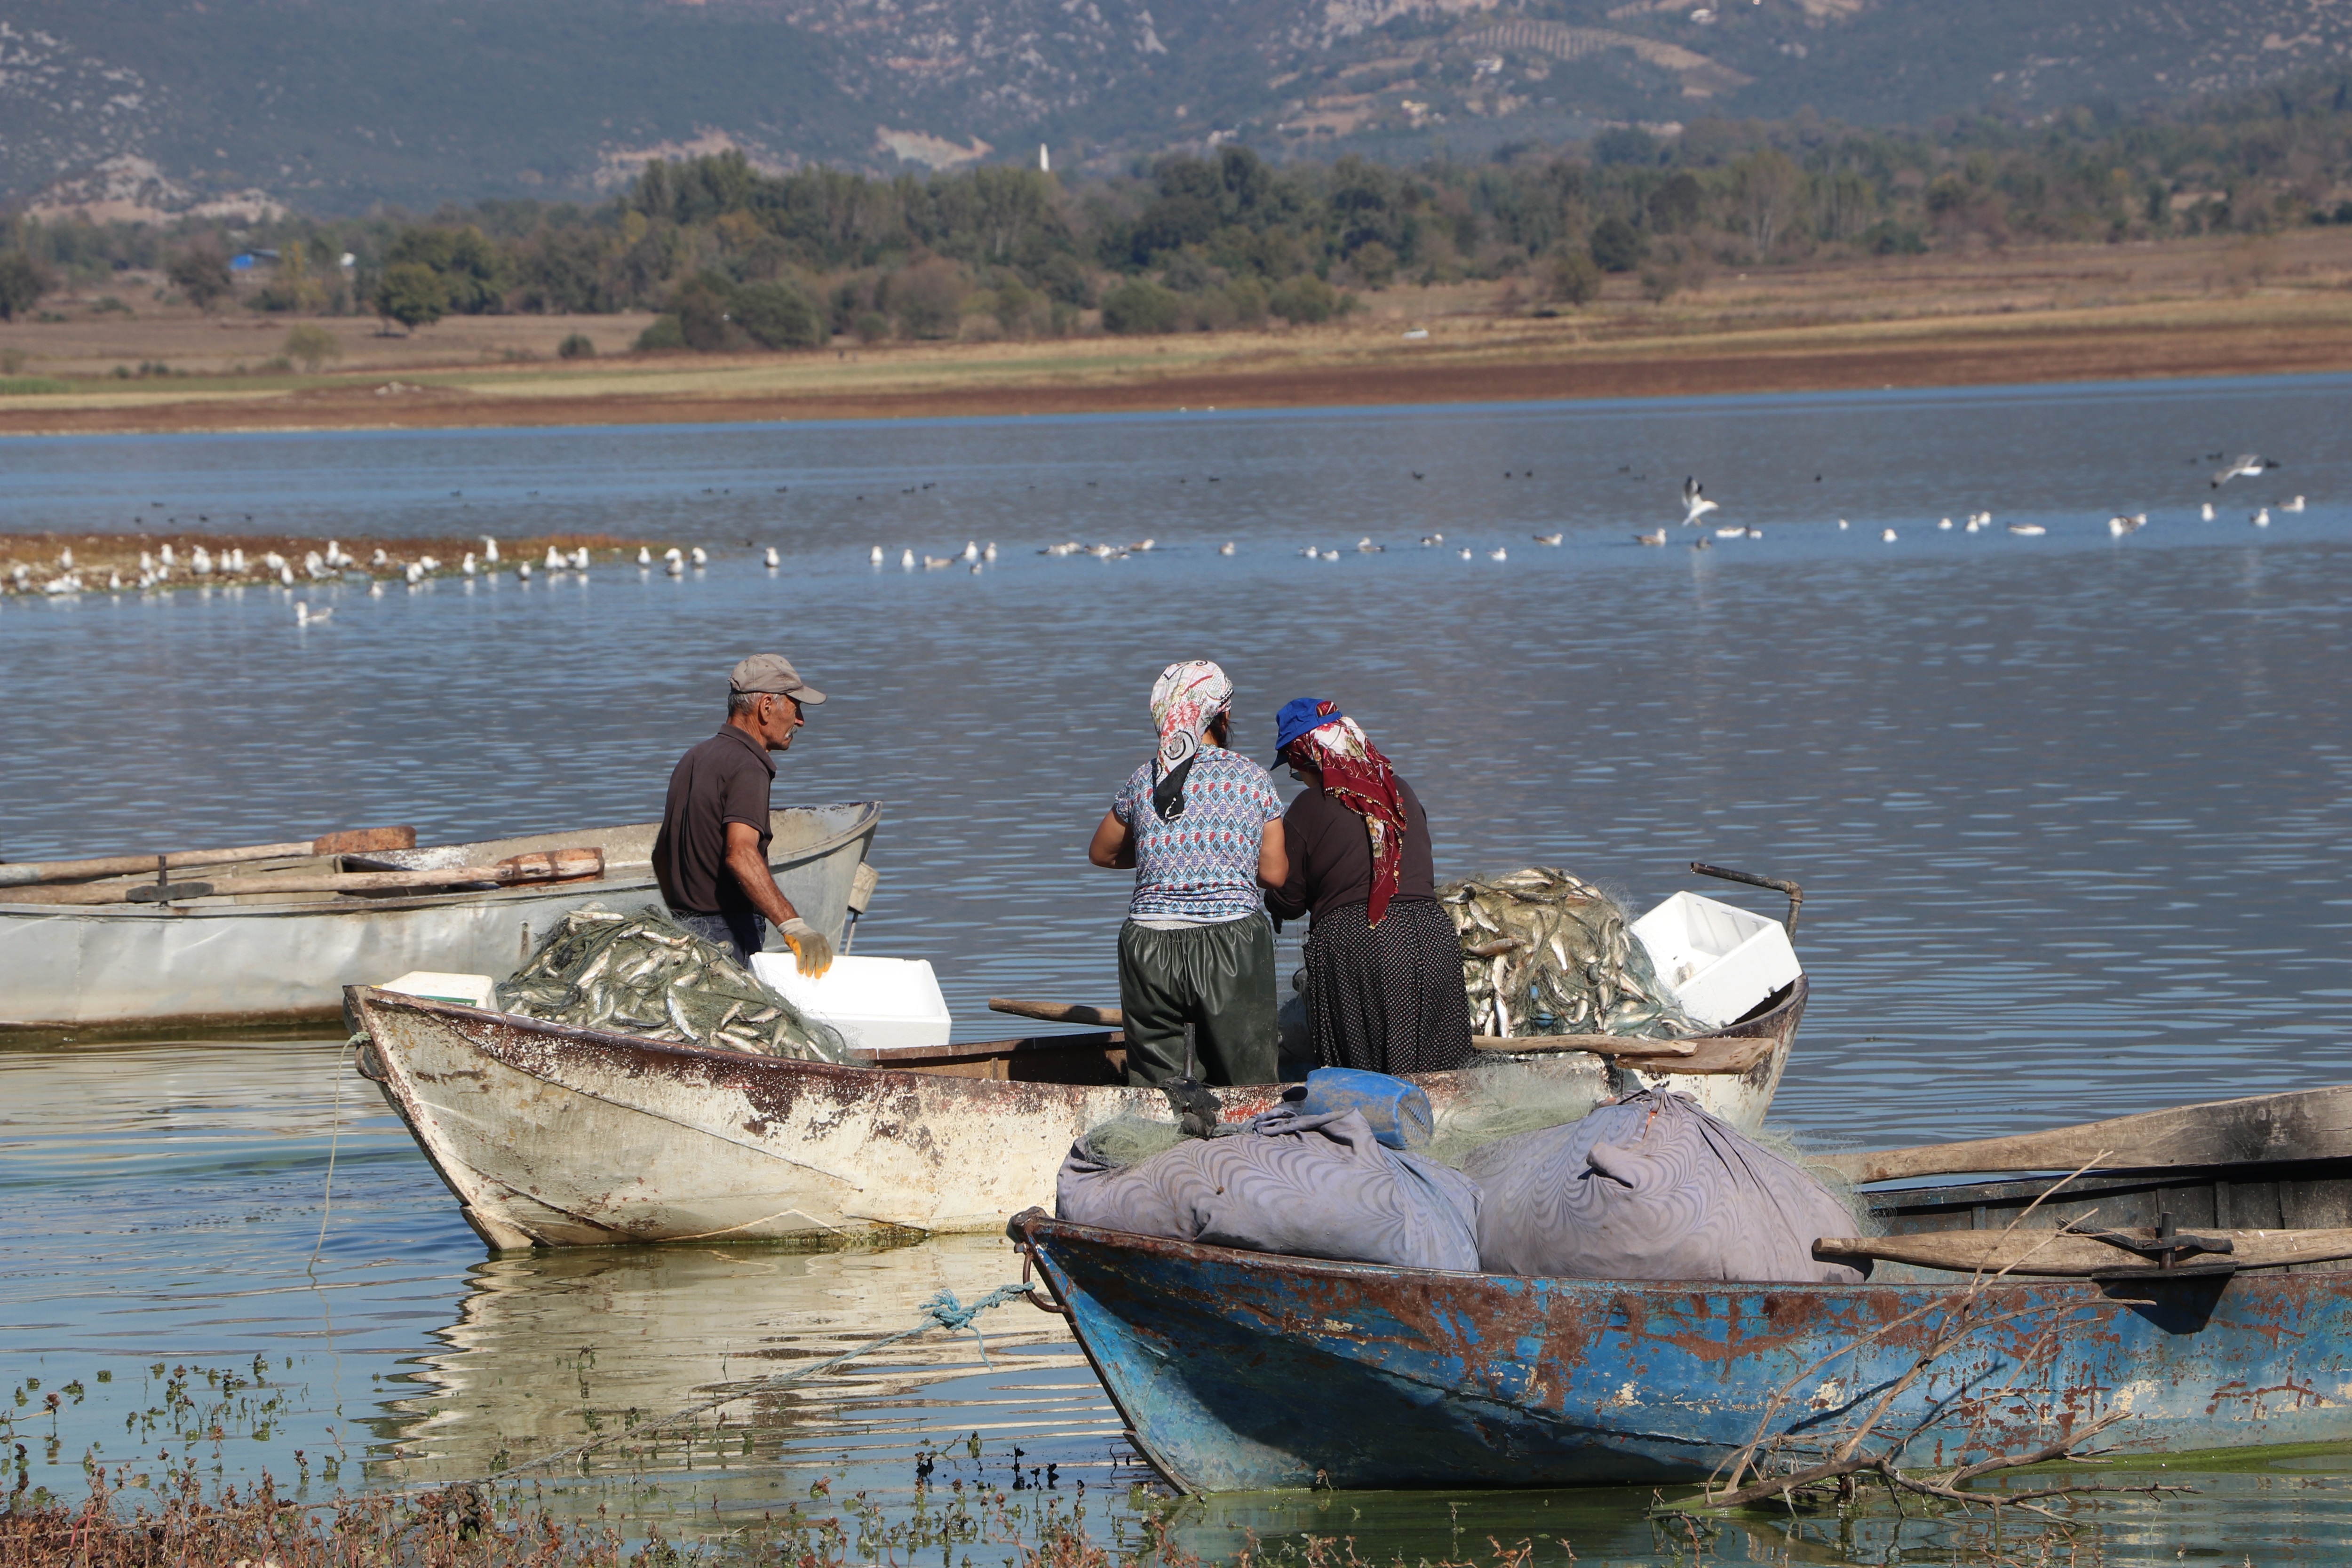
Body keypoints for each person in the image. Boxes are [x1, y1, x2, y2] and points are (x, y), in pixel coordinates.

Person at [1087, 661, 1287, 1088]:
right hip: (1231, 943)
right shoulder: (1252, 780)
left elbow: (1102, 854)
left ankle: (1160, 1150)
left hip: (1149, 944)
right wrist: (1227, 857)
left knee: (1159, 1092)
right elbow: (1274, 874)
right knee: (1248, 1085)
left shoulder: (1144, 779)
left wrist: (1160, 858)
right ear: (1224, 715)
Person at [1265, 697, 1470, 1075]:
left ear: (1314, 758)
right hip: (1432, 936)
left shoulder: (1310, 807)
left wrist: (1272, 896)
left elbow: (1290, 899)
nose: (1304, 781)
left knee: (1364, 1074)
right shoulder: (1401, 791)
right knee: (1442, 1074)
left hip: (1360, 941)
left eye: (1298, 771)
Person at [651, 653, 836, 976]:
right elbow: (741, 853)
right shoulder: (749, 765)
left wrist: (686, 920)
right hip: (728, 936)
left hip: (682, 935)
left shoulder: (693, 758)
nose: (801, 720)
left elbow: (661, 856)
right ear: (766, 706)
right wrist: (793, 925)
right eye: (795, 708)